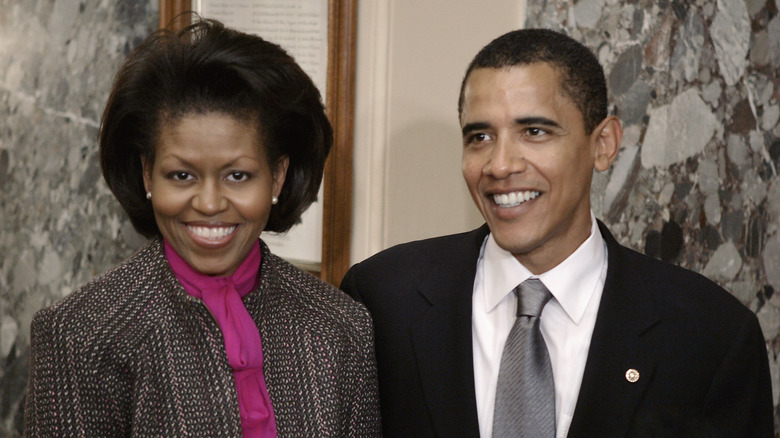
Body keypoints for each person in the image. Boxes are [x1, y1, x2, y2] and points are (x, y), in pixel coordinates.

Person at [341, 28, 773, 437]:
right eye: (480, 136)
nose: (500, 164)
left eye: (534, 131)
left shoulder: (709, 335)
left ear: (603, 144)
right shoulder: (382, 299)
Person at [25, 19, 381, 437]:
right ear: (146, 175)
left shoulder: (339, 325)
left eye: (238, 176)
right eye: (181, 176)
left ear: (278, 177)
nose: (209, 204)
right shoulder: (79, 335)